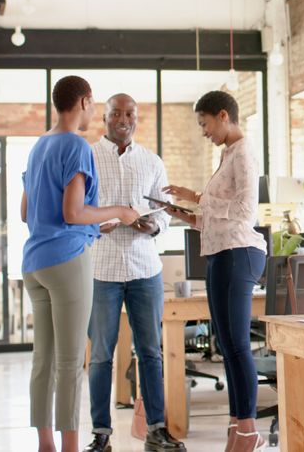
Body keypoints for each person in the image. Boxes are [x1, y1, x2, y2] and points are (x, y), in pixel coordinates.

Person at [20, 76, 140, 452]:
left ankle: (45, 445)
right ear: (86, 101)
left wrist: (94, 225)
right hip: (67, 261)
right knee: (71, 361)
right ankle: (71, 447)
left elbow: (27, 212)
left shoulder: (40, 145)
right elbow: (72, 213)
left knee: (44, 358)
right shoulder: (76, 145)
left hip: (34, 263)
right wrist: (121, 210)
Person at [164, 91, 268, 452]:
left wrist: (196, 195)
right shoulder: (227, 154)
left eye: (204, 123)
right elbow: (217, 219)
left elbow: (244, 212)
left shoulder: (245, 152)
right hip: (221, 253)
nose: (204, 132)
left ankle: (248, 431)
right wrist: (183, 214)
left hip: (239, 253)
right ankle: (239, 424)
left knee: (238, 345)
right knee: (227, 345)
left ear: (223, 116)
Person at [83, 94, 185, 452]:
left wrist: (152, 227)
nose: (123, 119)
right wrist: (100, 225)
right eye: (116, 114)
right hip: (101, 269)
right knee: (100, 355)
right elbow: (80, 211)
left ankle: (156, 430)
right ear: (105, 118)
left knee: (151, 352)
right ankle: (101, 434)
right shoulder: (89, 157)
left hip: (145, 269)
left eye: (129, 114)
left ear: (136, 118)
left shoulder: (151, 162)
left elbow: (165, 213)